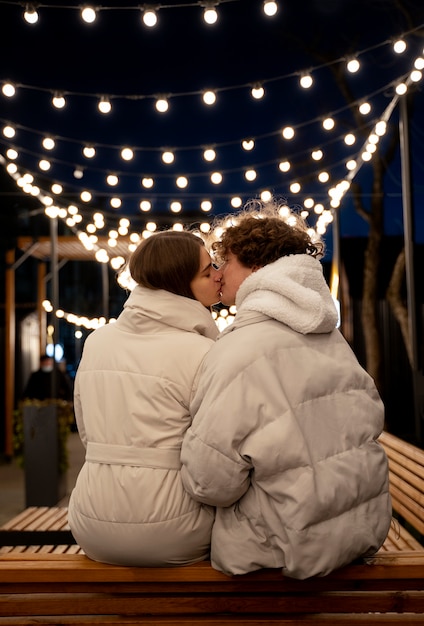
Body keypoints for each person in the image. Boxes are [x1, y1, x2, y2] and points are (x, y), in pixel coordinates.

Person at [181, 198, 392, 579]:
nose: (218, 271)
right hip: (355, 536)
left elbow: (209, 483)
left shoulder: (239, 349)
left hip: (278, 550)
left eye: (225, 260)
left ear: (258, 267)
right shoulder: (333, 339)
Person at [68, 230, 222, 567]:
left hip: (89, 521)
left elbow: (86, 429)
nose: (217, 275)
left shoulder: (98, 341)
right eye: (207, 270)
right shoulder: (204, 352)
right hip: (176, 526)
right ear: (178, 281)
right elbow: (214, 454)